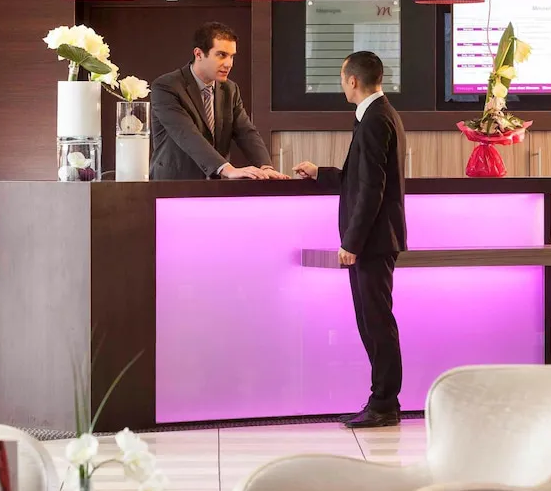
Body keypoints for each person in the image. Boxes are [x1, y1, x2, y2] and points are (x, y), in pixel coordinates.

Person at [294, 51, 407, 428]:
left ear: (353, 81)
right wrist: (320, 173)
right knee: (371, 322)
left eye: (343, 78)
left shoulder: (375, 119)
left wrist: (352, 243)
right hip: (373, 240)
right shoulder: (378, 114)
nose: (342, 84)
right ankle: (381, 402)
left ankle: (384, 404)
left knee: (377, 323)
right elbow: (359, 178)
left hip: (373, 242)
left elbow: (373, 189)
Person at [150, 22, 287, 181]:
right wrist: (227, 169)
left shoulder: (230, 89)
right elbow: (186, 133)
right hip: (174, 183)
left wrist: (265, 167)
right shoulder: (166, 86)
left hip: (215, 186)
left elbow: (246, 132)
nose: (229, 64)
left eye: (232, 56)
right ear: (199, 54)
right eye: (221, 55)